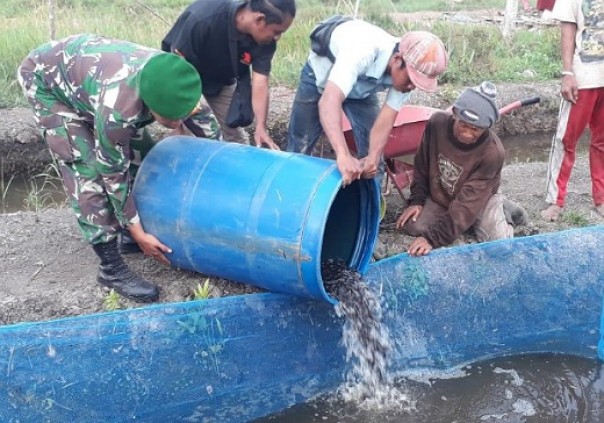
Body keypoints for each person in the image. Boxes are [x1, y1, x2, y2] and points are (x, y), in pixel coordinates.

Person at [17, 34, 204, 302]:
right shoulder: (119, 111)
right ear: (150, 104)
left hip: (91, 75)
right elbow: (112, 173)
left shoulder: (179, 83)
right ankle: (111, 268)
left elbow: (207, 126)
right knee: (88, 172)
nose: (177, 123)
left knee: (142, 153)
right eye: (170, 118)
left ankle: (127, 232)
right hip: (47, 81)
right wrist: (138, 231)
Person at [286, 19, 448, 186]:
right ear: (397, 59)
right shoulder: (363, 50)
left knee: (376, 164)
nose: (411, 86)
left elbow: (386, 119)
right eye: (410, 80)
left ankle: (368, 209)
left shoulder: (406, 76)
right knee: (300, 149)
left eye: (417, 84)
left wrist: (372, 157)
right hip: (321, 78)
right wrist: (343, 155)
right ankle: (291, 198)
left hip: (362, 90)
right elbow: (329, 101)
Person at [395, 82, 527, 257]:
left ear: (486, 128)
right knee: (412, 226)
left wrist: (432, 239)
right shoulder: (436, 124)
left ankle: (504, 208)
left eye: (475, 129)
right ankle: (462, 221)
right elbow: (422, 164)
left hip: (479, 199)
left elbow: (467, 204)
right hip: (445, 191)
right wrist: (417, 200)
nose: (467, 133)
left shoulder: (492, 152)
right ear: (455, 114)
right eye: (463, 125)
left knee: (499, 247)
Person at [162, 0, 295, 149]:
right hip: (185, 75)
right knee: (195, 132)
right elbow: (177, 68)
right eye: (277, 32)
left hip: (220, 80)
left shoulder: (265, 41)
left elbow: (260, 82)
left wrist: (261, 127)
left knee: (236, 137)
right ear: (260, 20)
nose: (277, 38)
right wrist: (179, 120)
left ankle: (240, 166)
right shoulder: (203, 18)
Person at [541, 0, 604, 222]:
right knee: (566, 140)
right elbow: (568, 28)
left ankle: (601, 198)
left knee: (602, 142)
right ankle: (555, 200)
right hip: (584, 77)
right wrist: (567, 73)